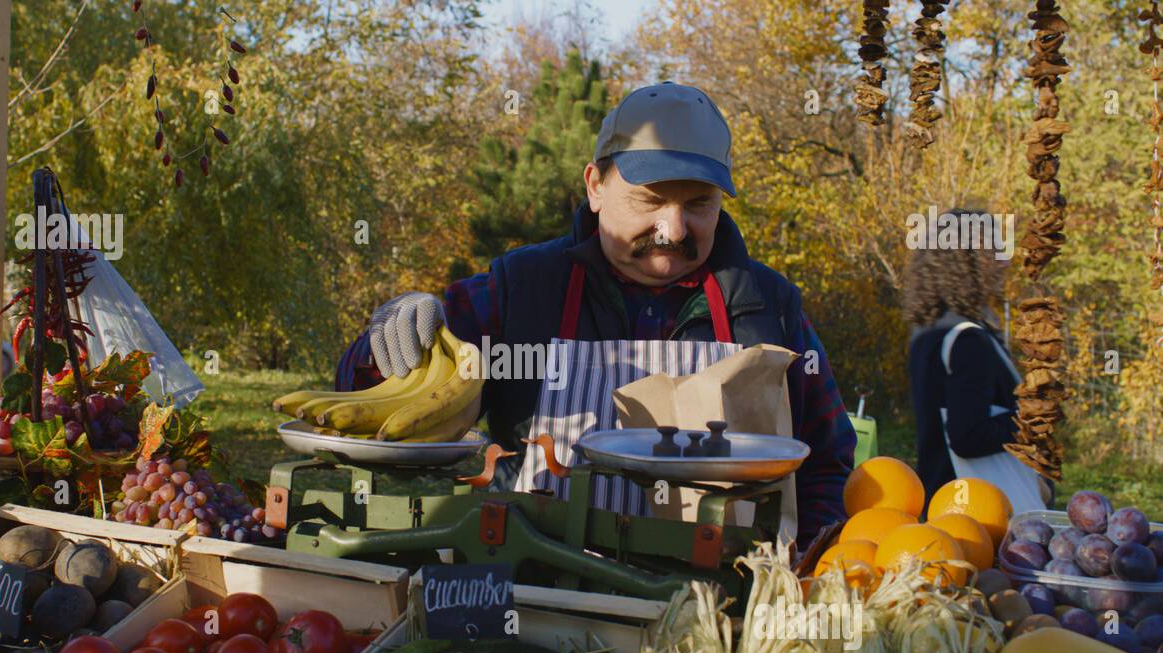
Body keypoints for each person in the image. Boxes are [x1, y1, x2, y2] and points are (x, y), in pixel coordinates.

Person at [337, 83, 855, 547]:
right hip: (542, 591)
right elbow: (368, 400)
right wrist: (391, 335)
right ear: (595, 186)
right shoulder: (521, 289)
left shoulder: (769, 308)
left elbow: (826, 464)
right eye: (650, 200)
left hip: (720, 603)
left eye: (698, 203)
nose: (673, 229)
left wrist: (807, 570)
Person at [903, 210, 1049, 513]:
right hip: (978, 515)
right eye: (995, 249)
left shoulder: (928, 334)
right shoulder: (969, 342)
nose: (1005, 261)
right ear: (968, 261)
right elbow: (968, 436)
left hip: (940, 502)